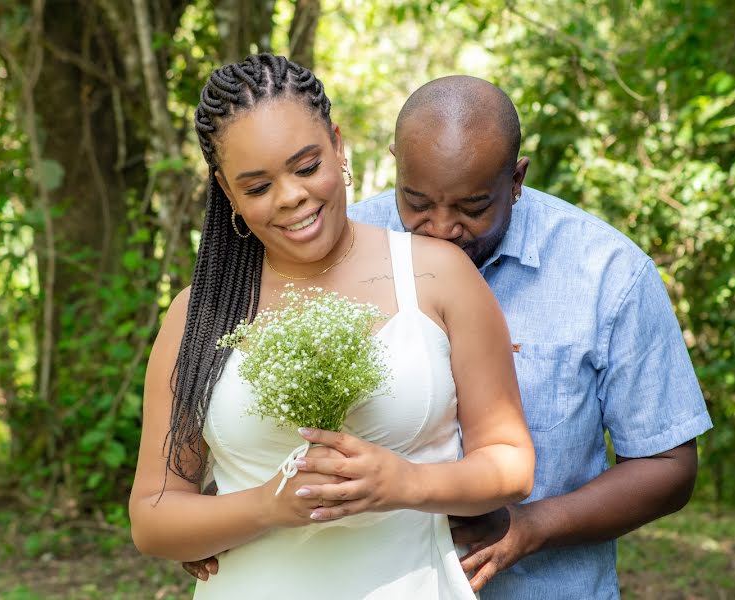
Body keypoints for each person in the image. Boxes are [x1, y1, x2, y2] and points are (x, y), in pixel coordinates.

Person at [182, 74, 713, 598]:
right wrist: (223, 514)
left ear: (516, 180)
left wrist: (532, 526)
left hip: (547, 587)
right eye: (416, 201)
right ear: (395, 164)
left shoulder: (608, 273)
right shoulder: (329, 248)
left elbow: (668, 466)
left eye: (471, 208)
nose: (439, 228)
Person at [129, 55, 535, 600]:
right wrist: (267, 506)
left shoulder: (438, 273)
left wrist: (406, 483)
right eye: (257, 187)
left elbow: (511, 465)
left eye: (305, 166)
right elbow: (153, 517)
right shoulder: (197, 314)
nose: (291, 196)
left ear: (338, 146)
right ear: (227, 192)